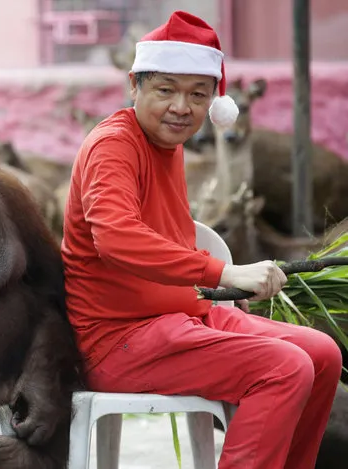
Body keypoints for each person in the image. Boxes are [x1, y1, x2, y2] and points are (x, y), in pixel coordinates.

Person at [60, 10, 342, 469]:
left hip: (185, 315)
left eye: (198, 94)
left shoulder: (167, 147)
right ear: (136, 86)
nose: (181, 107)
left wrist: (223, 294)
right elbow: (116, 238)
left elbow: (168, 239)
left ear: (215, 101)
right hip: (119, 339)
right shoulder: (114, 144)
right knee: (284, 368)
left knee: (323, 354)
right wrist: (223, 270)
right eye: (165, 89)